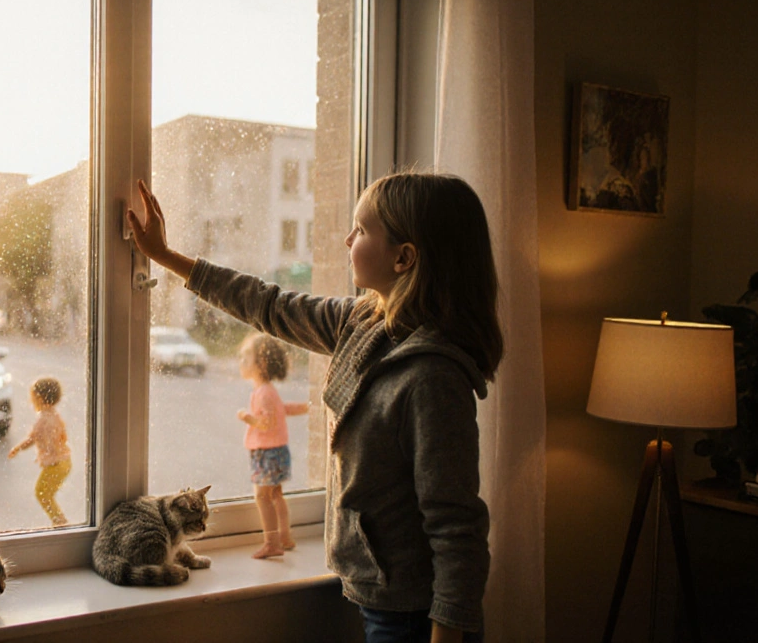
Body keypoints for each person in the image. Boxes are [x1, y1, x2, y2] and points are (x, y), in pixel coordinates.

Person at [126, 175, 501, 643]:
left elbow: (457, 527)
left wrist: (447, 633)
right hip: (375, 593)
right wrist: (165, 256)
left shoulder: (433, 379)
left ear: (404, 257)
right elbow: (268, 304)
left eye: (361, 230)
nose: (347, 239)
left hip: (415, 615)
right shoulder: (363, 321)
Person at [235, 333, 310, 559]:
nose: (241, 362)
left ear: (261, 364)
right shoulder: (268, 391)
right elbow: (282, 409)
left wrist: (247, 418)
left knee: (262, 497)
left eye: (245, 359)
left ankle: (271, 542)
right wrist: (306, 407)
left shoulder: (263, 393)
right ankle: (285, 537)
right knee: (276, 495)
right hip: (278, 451)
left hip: (266, 452)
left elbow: (267, 423)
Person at [8, 376, 72, 526]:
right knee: (46, 493)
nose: (31, 401)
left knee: (42, 493)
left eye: (33, 397)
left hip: (56, 464)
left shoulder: (43, 419)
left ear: (40, 398)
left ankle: (60, 522)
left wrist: (17, 448)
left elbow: (32, 439)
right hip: (65, 462)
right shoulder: (55, 415)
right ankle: (59, 520)